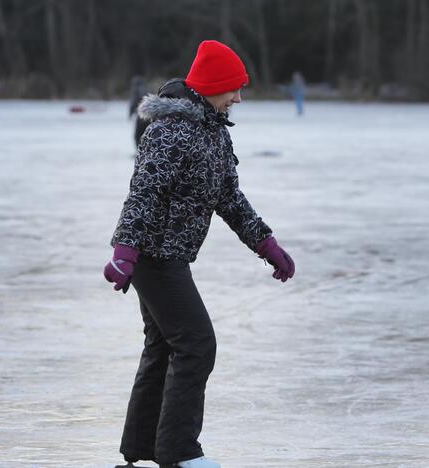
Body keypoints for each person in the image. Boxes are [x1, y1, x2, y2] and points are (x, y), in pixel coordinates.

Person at [104, 40, 296, 468]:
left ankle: (141, 449)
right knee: (196, 344)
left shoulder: (213, 133)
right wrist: (125, 248)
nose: (239, 98)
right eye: (233, 88)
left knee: (163, 345)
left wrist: (266, 244)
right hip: (152, 259)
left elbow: (229, 198)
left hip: (169, 256)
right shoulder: (170, 130)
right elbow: (144, 193)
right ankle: (179, 452)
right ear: (211, 86)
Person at [129, 76, 150, 148]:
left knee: (137, 135)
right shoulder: (146, 89)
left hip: (141, 116)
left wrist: (130, 113)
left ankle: (139, 151)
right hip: (148, 116)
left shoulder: (137, 90)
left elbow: (133, 102)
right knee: (146, 134)